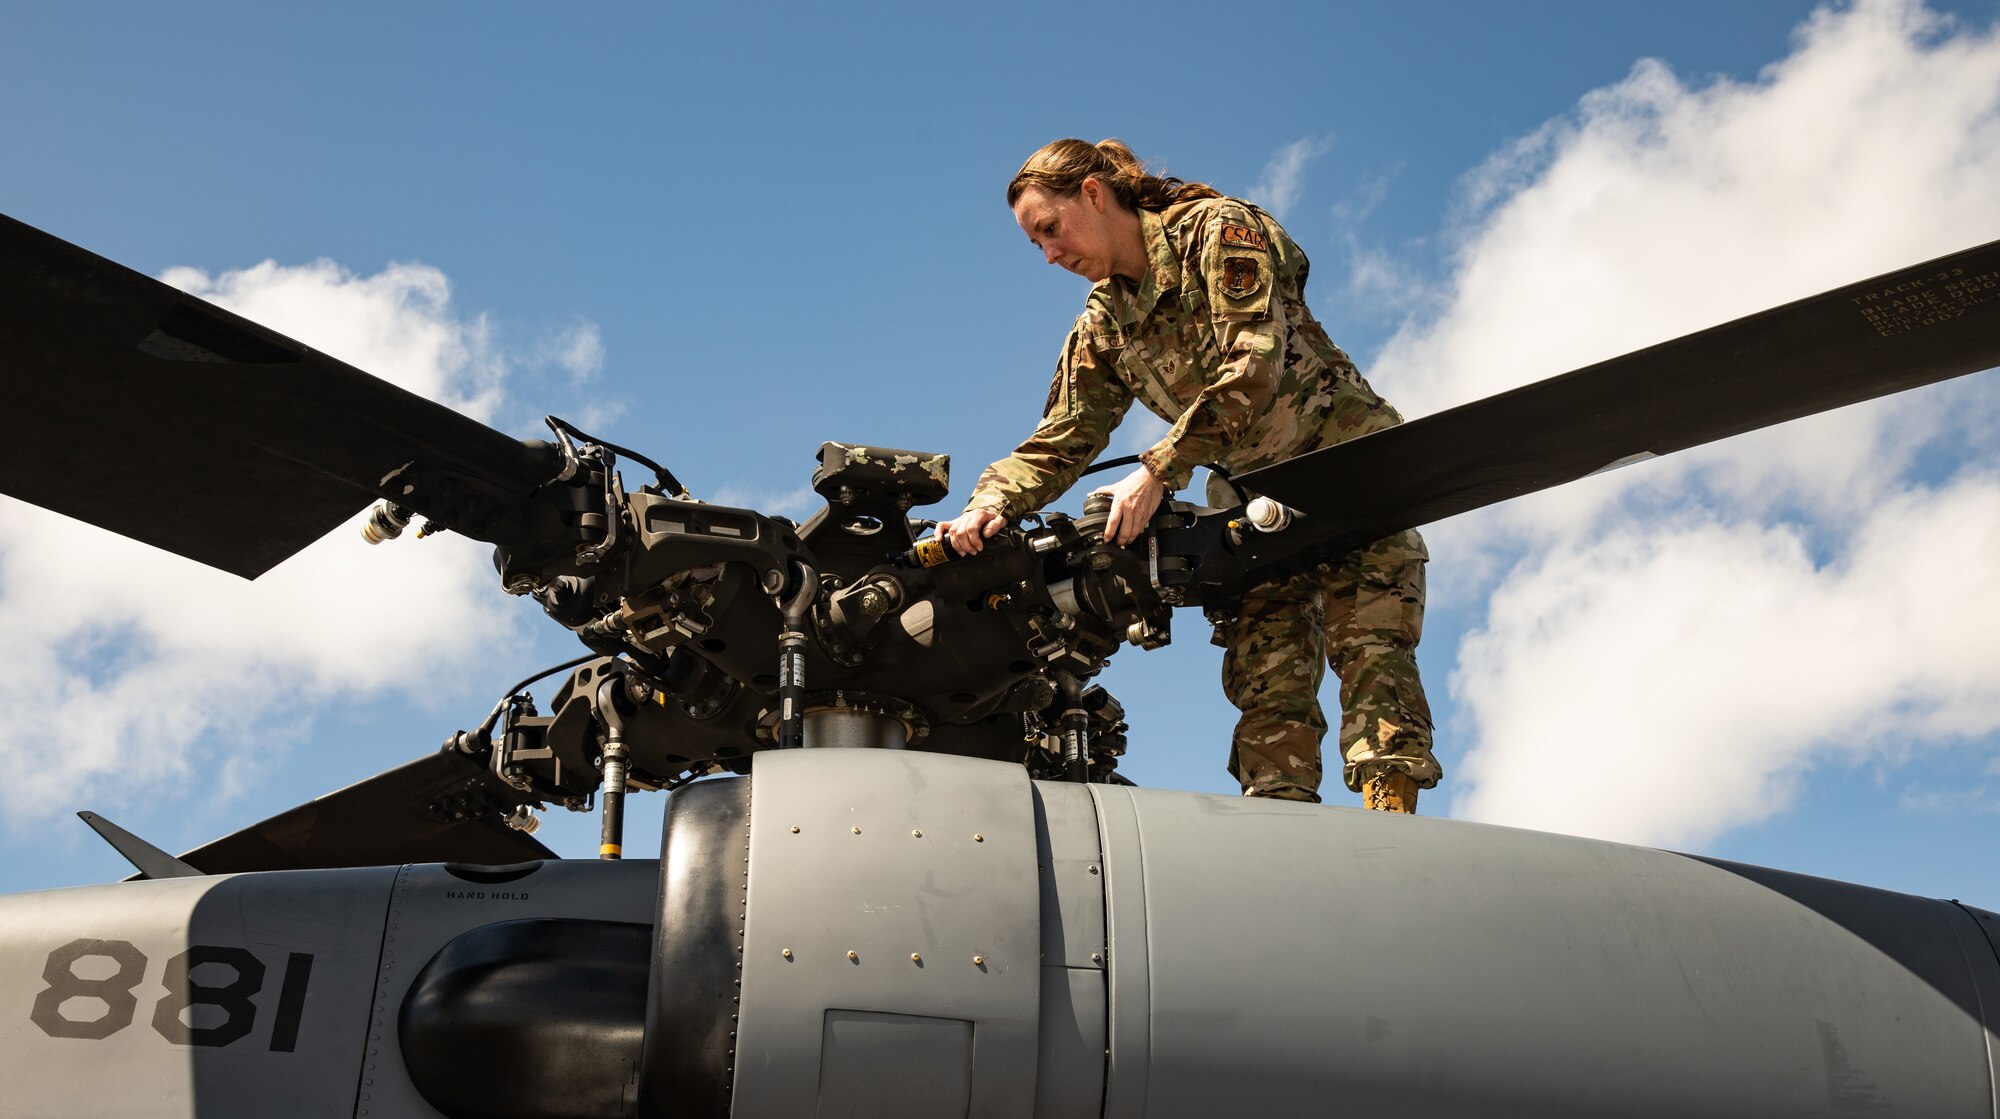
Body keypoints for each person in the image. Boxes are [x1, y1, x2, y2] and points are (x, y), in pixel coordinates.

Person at [935, 138, 1439, 812]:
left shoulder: (1219, 231)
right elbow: (1064, 436)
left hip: (1348, 470)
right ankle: (1288, 860)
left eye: (1051, 231)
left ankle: (1396, 844)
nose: (1052, 256)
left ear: (1093, 193)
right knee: (1268, 696)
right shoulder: (1104, 325)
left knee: (1374, 663)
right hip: (1258, 511)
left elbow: (1252, 364)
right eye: (1038, 247)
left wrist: (1158, 470)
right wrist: (989, 503)